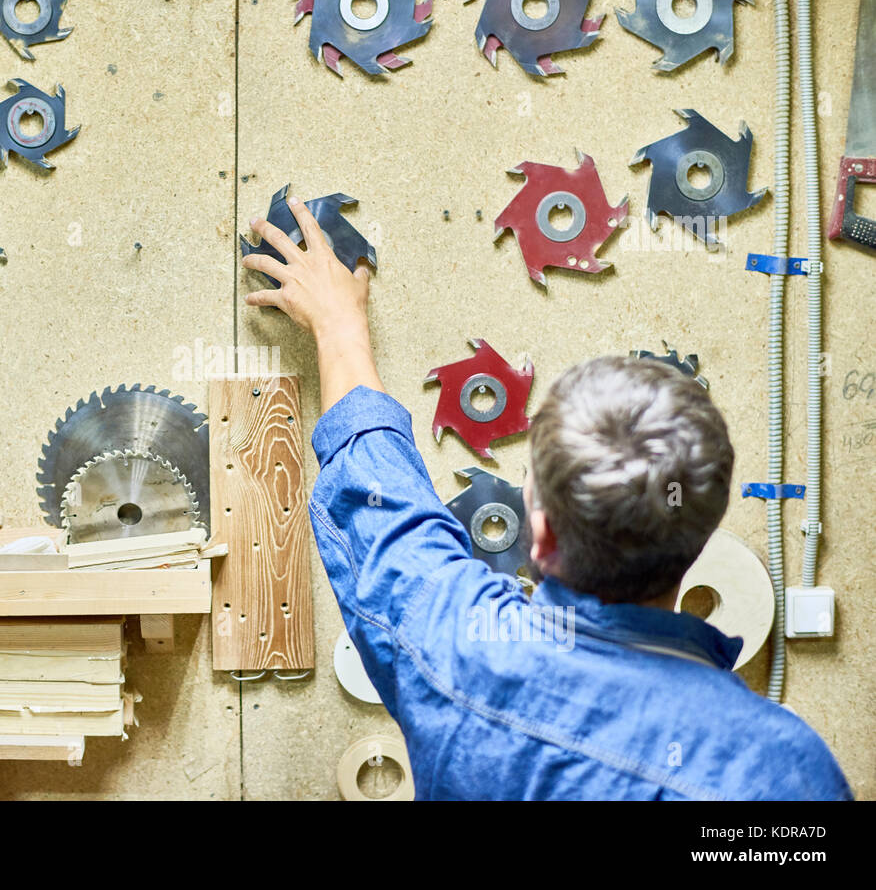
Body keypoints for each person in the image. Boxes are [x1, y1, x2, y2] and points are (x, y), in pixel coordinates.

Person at [242, 195, 852, 800]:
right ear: (704, 535)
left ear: (542, 532)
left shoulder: (462, 647)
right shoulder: (783, 773)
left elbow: (378, 497)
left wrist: (337, 327)